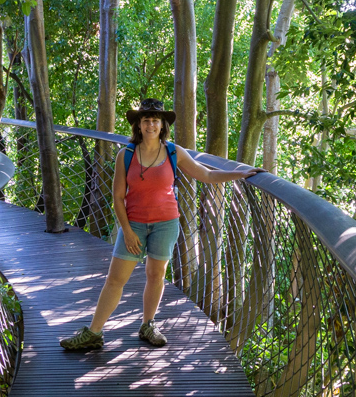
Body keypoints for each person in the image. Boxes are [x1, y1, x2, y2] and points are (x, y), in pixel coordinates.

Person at [60, 98, 265, 351]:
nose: (151, 124)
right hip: (133, 224)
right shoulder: (126, 155)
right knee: (115, 280)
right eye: (146, 120)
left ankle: (148, 325)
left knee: (156, 276)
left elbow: (207, 174)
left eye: (156, 120)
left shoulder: (173, 152)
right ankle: (94, 332)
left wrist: (241, 174)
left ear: (162, 125)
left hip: (166, 224)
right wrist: (126, 231)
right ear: (138, 124)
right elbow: (117, 197)